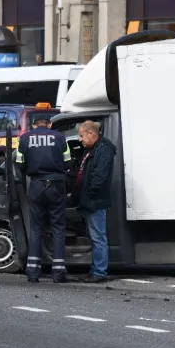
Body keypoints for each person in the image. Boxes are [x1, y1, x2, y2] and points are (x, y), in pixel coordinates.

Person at [15, 115, 72, 283]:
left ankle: (33, 272)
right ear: (50, 124)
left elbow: (19, 164)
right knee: (58, 228)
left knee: (36, 228)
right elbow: (68, 163)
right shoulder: (60, 137)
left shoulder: (24, 139)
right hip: (56, 185)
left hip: (37, 185)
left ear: (33, 125)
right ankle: (59, 272)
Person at [73, 120, 116, 283]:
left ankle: (99, 272)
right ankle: (95, 270)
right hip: (91, 200)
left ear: (91, 134)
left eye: (82, 135)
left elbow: (99, 177)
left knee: (98, 237)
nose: (80, 139)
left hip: (95, 201)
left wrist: (88, 195)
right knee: (94, 237)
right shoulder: (93, 149)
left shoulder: (103, 150)